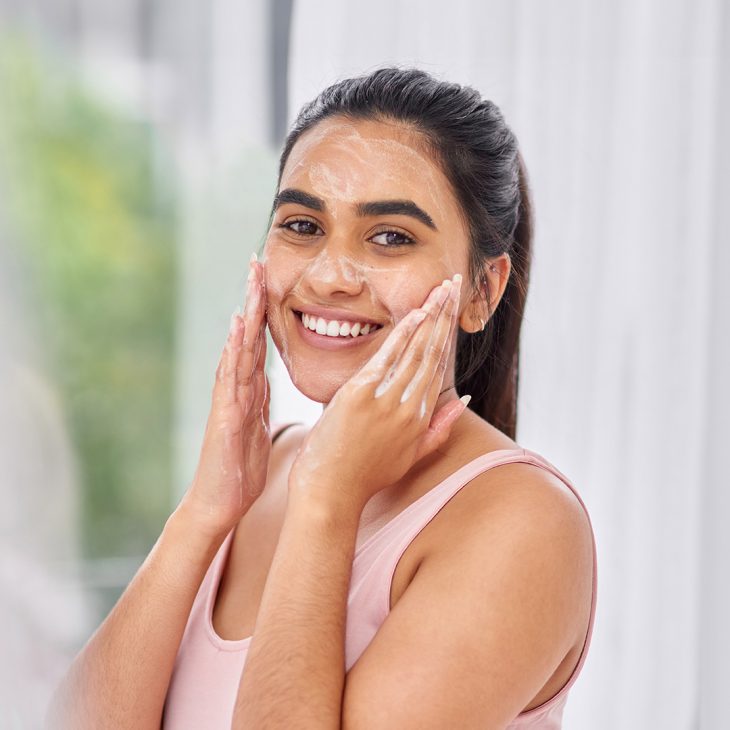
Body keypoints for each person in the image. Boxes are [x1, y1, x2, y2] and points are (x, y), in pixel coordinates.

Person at [49, 67, 597, 729]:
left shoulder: (522, 522)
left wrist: (328, 501)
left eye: (391, 236)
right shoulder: (263, 470)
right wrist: (203, 512)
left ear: (483, 289)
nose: (330, 276)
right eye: (302, 225)